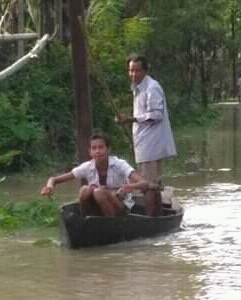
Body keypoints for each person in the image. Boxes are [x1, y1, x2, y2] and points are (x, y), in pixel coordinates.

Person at [41, 134, 161, 217]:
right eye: (94, 148)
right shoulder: (87, 166)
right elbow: (54, 179)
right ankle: (90, 219)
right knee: (85, 190)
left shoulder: (119, 164)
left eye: (101, 147)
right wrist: (49, 187)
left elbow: (144, 183)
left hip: (120, 207)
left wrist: (129, 187)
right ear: (90, 152)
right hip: (98, 207)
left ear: (108, 149)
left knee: (98, 192)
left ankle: (110, 225)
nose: (97, 151)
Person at [115, 54, 177, 215]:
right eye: (131, 71)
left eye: (137, 71)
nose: (133, 74)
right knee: (153, 185)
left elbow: (157, 114)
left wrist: (131, 119)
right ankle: (157, 216)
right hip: (145, 142)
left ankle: (152, 219)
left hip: (151, 144)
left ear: (145, 71)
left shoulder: (151, 87)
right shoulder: (138, 87)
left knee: (146, 186)